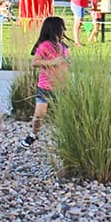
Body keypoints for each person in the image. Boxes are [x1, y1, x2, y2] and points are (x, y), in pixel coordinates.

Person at [20, 15, 70, 149]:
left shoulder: (64, 47)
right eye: (62, 28)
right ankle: (33, 134)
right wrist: (51, 62)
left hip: (62, 86)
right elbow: (34, 62)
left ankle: (66, 137)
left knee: (64, 114)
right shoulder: (45, 46)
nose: (64, 31)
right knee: (39, 114)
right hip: (46, 86)